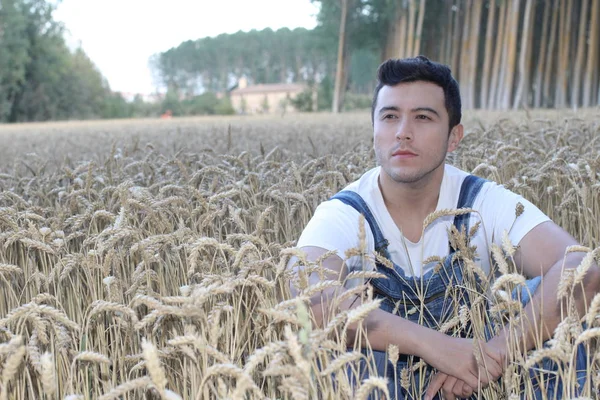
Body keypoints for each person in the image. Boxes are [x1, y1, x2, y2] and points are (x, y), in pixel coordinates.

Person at [290, 56, 599, 399]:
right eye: (390, 116)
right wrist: (436, 346)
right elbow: (309, 299)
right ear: (375, 130)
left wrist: (494, 354)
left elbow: (582, 269)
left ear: (454, 137)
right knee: (328, 348)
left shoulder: (481, 200)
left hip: (477, 372)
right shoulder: (344, 213)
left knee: (554, 308)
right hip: (384, 379)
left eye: (423, 117)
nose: (403, 132)